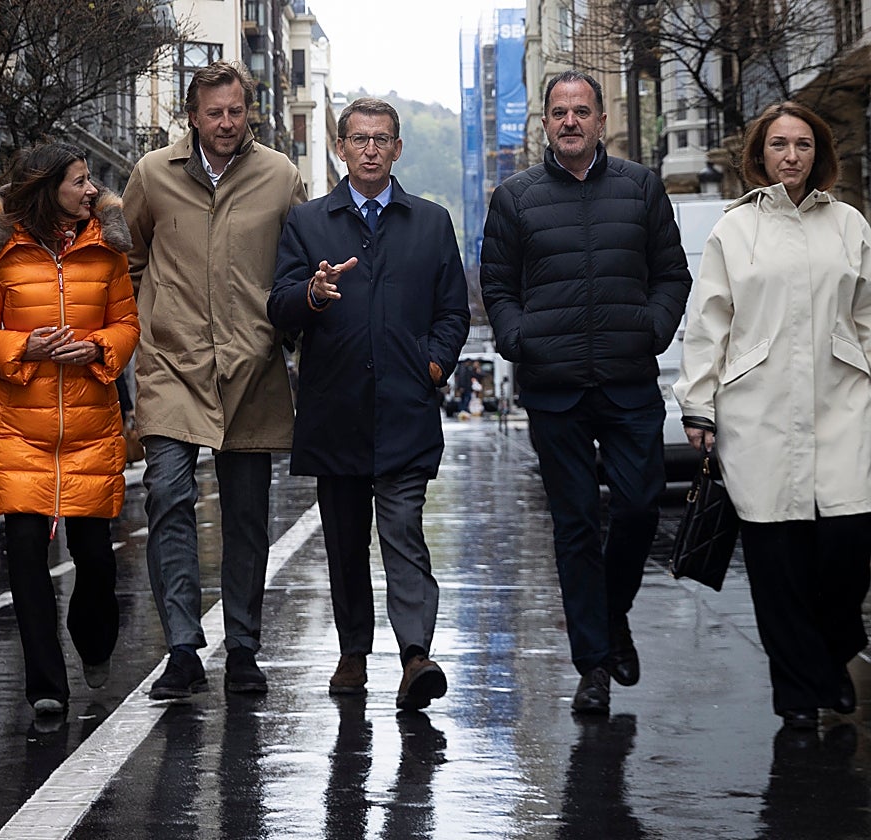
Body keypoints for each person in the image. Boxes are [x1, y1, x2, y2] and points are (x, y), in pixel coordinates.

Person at [480, 70, 692, 715]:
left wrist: (651, 331)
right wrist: (523, 341)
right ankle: (593, 666)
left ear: (600, 121)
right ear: (545, 123)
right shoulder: (514, 198)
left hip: (629, 383)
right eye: (558, 112)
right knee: (574, 528)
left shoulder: (641, 188)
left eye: (581, 111)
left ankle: (611, 612)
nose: (570, 121)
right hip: (555, 390)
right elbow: (497, 290)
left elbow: (672, 276)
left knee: (637, 507)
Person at [674, 102, 871, 730]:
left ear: (820, 155)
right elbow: (708, 325)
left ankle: (835, 652)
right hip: (757, 411)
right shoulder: (734, 230)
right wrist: (698, 403)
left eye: (804, 145)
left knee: (846, 550)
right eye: (779, 145)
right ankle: (796, 698)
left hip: (842, 404)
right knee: (777, 562)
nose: (791, 155)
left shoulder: (849, 224)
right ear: (760, 154)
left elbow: (866, 315)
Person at [269, 97, 471, 710]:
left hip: (406, 409)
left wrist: (432, 363)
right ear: (340, 147)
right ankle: (353, 653)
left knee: (404, 530)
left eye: (382, 138)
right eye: (359, 139)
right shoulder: (308, 223)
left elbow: (453, 311)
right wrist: (313, 292)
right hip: (336, 411)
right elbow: (278, 306)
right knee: (345, 541)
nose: (371, 148)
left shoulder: (431, 222)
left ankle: (416, 657)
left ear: (398, 148)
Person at [122, 60, 307, 699]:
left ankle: (244, 648)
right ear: (192, 116)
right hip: (172, 363)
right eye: (213, 113)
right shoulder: (152, 175)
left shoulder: (280, 176)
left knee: (247, 515)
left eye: (235, 111)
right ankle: (180, 649)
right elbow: (133, 258)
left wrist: (276, 334)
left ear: (247, 111)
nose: (226, 123)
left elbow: (298, 266)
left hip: (252, 366)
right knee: (167, 496)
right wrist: (153, 322)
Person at [0, 142, 139, 716]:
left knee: (97, 560)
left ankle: (94, 639)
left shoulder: (107, 251)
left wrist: (98, 348)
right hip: (17, 429)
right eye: (80, 182)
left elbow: (127, 323)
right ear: (46, 190)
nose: (92, 191)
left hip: (89, 425)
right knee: (26, 557)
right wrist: (23, 347)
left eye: (90, 181)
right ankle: (45, 686)